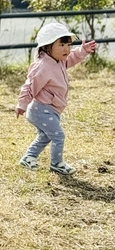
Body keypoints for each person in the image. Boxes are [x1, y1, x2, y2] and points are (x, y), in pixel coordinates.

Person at [15, 21, 96, 175]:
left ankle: (28, 157)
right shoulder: (43, 66)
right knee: (58, 135)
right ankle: (56, 163)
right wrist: (22, 103)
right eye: (62, 45)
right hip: (41, 109)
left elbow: (70, 59)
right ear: (47, 46)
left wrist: (82, 51)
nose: (67, 49)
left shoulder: (58, 60)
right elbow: (30, 85)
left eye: (69, 44)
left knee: (45, 136)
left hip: (50, 109)